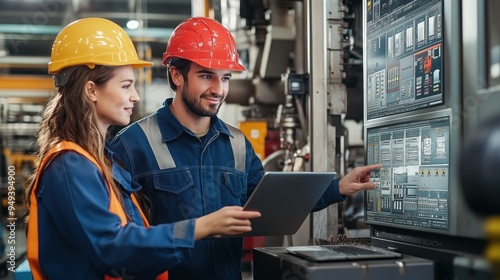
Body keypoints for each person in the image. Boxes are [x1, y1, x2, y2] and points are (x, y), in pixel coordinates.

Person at [110, 16, 382, 279]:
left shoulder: (238, 145)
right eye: (206, 76)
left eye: (225, 78)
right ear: (176, 75)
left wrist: (337, 188)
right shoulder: (133, 145)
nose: (218, 89)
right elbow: (119, 241)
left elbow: (270, 204)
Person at [24, 17, 260, 280]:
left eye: (225, 77)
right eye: (126, 86)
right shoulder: (71, 164)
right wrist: (199, 228)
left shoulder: (97, 159)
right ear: (91, 90)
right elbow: (114, 247)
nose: (135, 96)